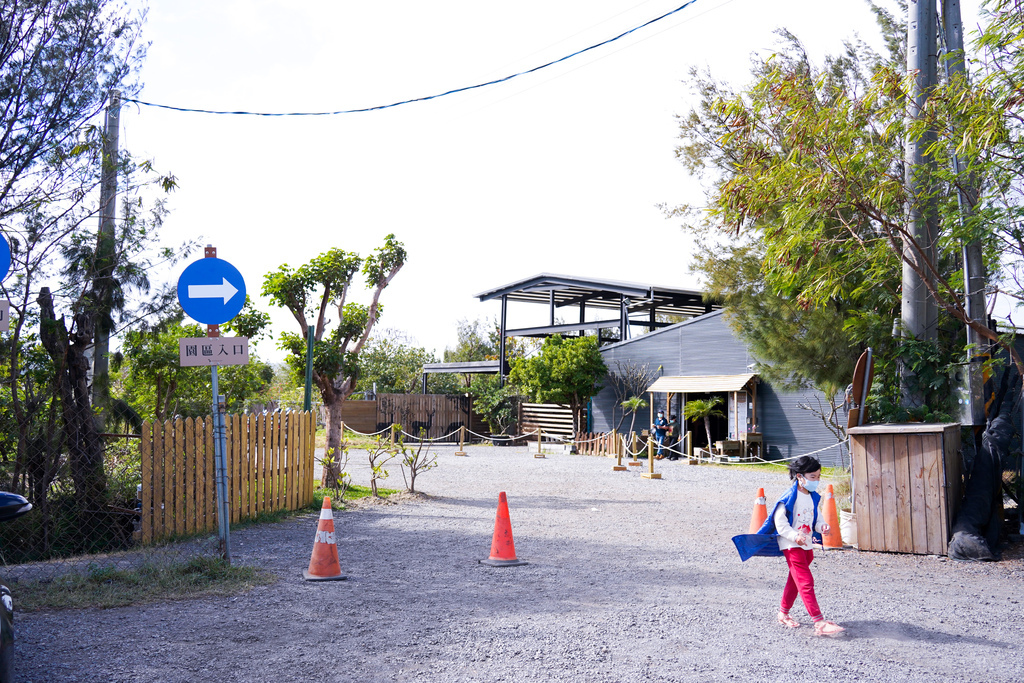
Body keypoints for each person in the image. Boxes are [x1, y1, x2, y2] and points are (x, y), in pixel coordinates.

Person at [730, 456, 845, 637]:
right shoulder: (789, 497)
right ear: (800, 477)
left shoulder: (813, 497)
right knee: (806, 582)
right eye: (813, 477)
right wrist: (793, 536)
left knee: (795, 580)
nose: (817, 481)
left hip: (806, 545)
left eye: (818, 477)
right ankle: (819, 622)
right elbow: (779, 523)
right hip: (792, 545)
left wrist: (821, 526)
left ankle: (783, 613)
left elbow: (816, 518)